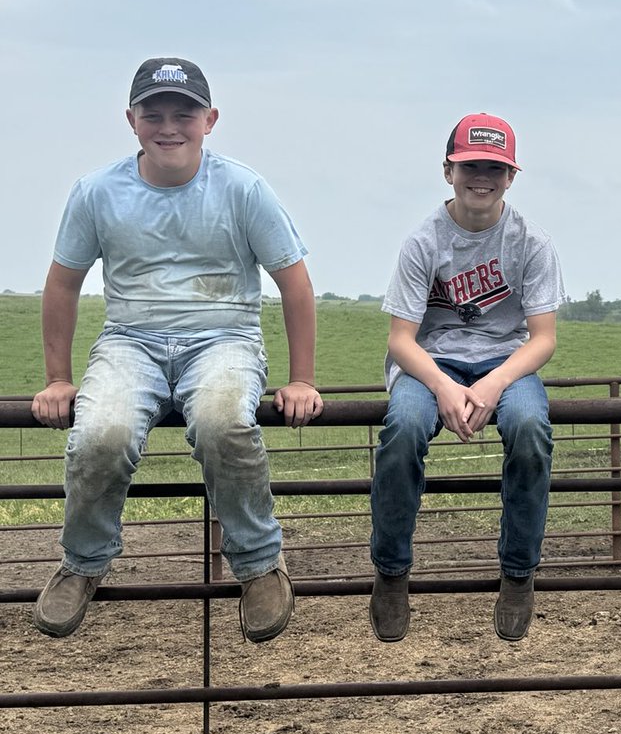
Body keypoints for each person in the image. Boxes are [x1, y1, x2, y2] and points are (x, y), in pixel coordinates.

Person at [30, 57, 322, 643]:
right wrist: (58, 379)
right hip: (129, 340)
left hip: (224, 338)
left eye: (183, 114)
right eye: (153, 113)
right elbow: (63, 281)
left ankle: (261, 563)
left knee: (222, 422)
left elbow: (293, 280)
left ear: (209, 120)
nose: (169, 126)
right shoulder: (96, 192)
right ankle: (83, 564)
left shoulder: (241, 187)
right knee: (98, 433)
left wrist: (302, 380)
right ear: (131, 120)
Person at [369, 112, 565, 643]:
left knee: (529, 430)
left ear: (512, 176)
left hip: (505, 360)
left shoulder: (531, 243)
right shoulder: (423, 242)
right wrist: (444, 387)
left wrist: (495, 382)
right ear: (448, 171)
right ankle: (391, 572)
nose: (483, 177)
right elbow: (401, 340)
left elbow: (543, 337)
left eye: (496, 168)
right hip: (431, 360)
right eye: (471, 166)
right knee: (404, 429)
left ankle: (519, 574)